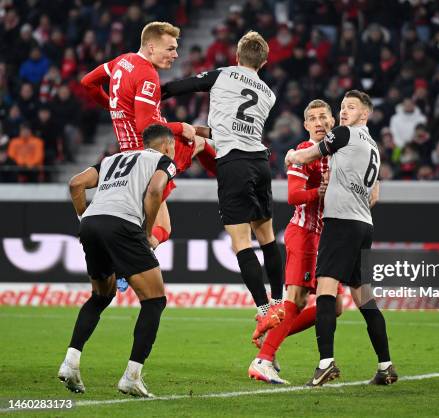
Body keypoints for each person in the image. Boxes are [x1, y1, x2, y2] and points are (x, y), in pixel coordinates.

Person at [162, 31, 284, 338]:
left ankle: (263, 311)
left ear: (237, 57)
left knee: (241, 242)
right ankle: (280, 301)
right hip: (260, 163)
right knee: (267, 238)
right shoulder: (269, 94)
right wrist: (200, 132)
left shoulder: (223, 75)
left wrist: (154, 92)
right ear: (265, 62)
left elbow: (184, 85)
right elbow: (235, 130)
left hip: (234, 165)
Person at [58, 124, 179, 398]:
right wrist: (146, 233)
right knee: (155, 300)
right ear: (167, 145)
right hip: (124, 225)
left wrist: (83, 219)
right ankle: (132, 376)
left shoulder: (111, 158)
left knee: (101, 295)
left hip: (91, 223)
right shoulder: (163, 161)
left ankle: (70, 362)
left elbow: (75, 184)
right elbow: (155, 191)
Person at [285, 90, 394, 387]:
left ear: (365, 114)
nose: (344, 112)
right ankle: (386, 366)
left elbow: (308, 154)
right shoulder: (373, 146)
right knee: (365, 297)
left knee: (325, 291)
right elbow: (375, 194)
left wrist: (290, 156)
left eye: (351, 108)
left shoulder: (344, 134)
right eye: (343, 107)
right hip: (364, 225)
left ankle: (325, 363)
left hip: (341, 224)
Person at [80, 21, 216, 248]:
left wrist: (115, 107)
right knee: (199, 142)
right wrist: (181, 127)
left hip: (126, 155)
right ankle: (230, 189)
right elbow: (145, 126)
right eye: (170, 49)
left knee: (161, 229)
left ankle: (129, 255)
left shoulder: (121, 61)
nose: (175, 55)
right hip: (150, 155)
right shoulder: (147, 75)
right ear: (151, 47)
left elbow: (88, 83)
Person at [248, 99, 344, 384]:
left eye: (323, 117)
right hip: (304, 233)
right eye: (312, 118)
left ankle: (270, 336)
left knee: (335, 307)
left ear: (332, 121)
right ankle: (263, 359)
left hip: (327, 237)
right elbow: (293, 196)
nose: (318, 122)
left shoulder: (340, 153)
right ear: (305, 126)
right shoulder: (303, 152)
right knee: (296, 300)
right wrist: (320, 191)